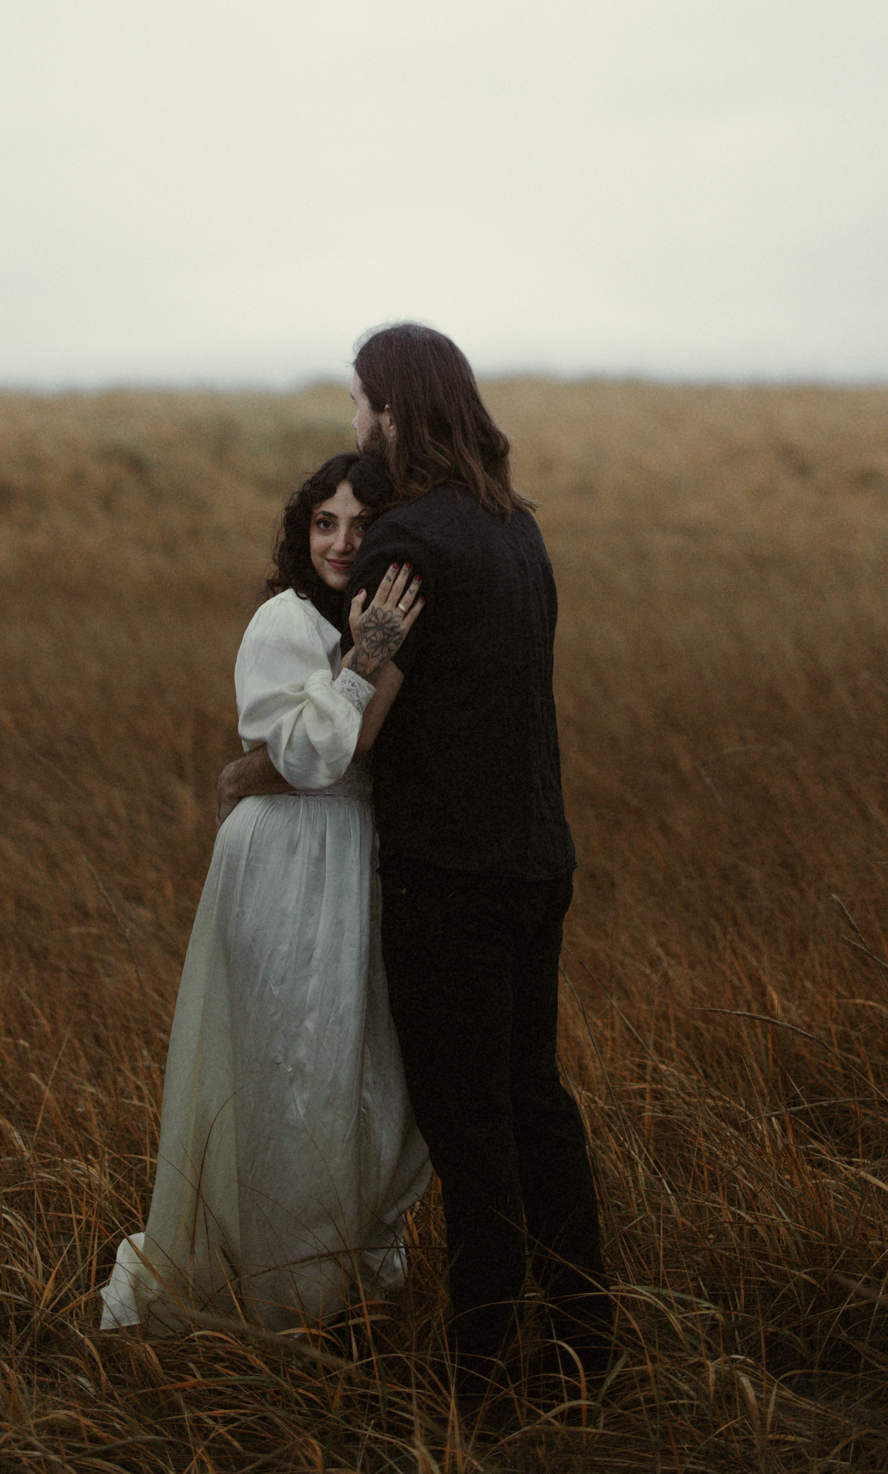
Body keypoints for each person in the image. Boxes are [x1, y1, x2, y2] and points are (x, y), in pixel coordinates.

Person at [100, 452, 432, 1336]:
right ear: (302, 532)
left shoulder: (396, 617)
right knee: (292, 1066)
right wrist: (365, 657)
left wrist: (380, 649)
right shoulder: (284, 621)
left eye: (361, 525)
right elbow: (310, 754)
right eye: (324, 522)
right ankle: (288, 1298)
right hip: (288, 855)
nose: (341, 541)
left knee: (366, 1071)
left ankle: (350, 1275)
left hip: (357, 855)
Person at [345, 322, 611, 1404]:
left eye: (360, 401)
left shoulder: (405, 542)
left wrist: (268, 752)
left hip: (448, 872)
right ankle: (587, 1345)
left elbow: (357, 731)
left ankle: (486, 1381)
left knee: (472, 1128)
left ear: (394, 412)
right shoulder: (515, 528)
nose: (352, 422)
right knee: (534, 1100)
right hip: (538, 858)